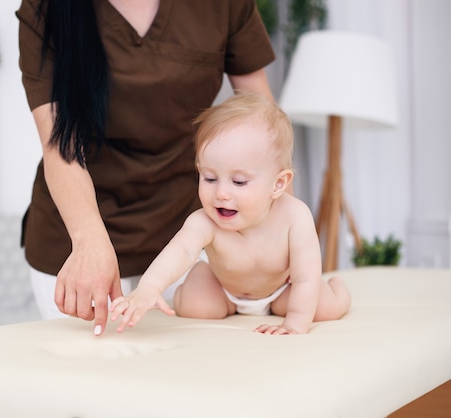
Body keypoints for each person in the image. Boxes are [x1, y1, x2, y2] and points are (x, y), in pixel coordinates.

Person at [15, 0, 276, 336]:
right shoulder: (47, 6)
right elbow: (60, 146)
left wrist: (280, 233)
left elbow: (268, 136)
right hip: (79, 237)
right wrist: (89, 241)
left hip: (188, 235)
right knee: (92, 383)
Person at [110, 92, 351, 335]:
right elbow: (181, 250)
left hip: (280, 290)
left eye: (238, 181)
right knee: (197, 307)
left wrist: (295, 324)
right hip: (223, 288)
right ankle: (193, 284)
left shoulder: (295, 216)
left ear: (278, 184)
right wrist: (149, 288)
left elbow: (304, 278)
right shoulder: (205, 220)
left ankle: (338, 289)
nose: (221, 193)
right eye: (210, 178)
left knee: (322, 308)